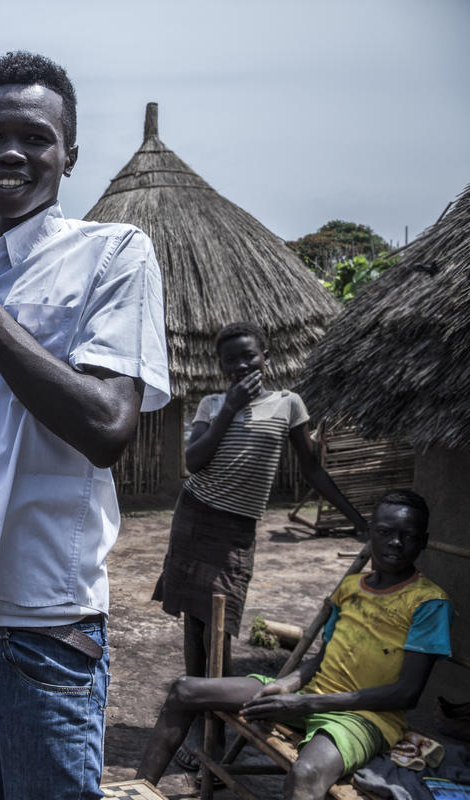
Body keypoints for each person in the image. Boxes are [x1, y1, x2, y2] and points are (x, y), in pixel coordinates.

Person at [0, 51, 171, 799]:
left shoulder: (112, 255)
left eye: (36, 137)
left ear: (69, 155)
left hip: (46, 629)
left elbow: (107, 426)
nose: (12, 152)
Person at [138, 490, 452, 800]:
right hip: (310, 695)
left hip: (366, 717)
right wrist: (286, 685)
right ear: (371, 533)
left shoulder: (428, 602)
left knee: (305, 774)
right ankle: (136, 791)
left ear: (422, 541)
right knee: (184, 690)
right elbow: (323, 658)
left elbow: (406, 694)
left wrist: (305, 704)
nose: (395, 542)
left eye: (407, 536)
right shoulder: (350, 587)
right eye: (385, 532)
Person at [151, 321, 369, 768]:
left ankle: (214, 721)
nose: (240, 366)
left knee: (220, 624)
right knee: (194, 623)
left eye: (248, 356)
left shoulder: (289, 404)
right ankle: (199, 725)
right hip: (196, 516)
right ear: (220, 367)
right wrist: (230, 407)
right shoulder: (213, 404)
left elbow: (312, 469)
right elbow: (194, 461)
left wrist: (357, 519)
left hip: (237, 529)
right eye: (230, 360)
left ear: (265, 357)